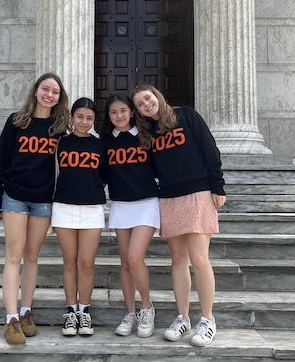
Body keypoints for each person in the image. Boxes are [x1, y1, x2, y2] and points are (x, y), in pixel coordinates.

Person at [131, 85, 227, 347]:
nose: (146, 104)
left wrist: (217, 186)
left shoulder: (186, 116)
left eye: (147, 98)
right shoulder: (148, 134)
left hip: (198, 192)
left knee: (199, 258)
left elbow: (209, 149)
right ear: (138, 111)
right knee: (178, 259)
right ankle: (183, 317)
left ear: (157, 96)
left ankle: (207, 319)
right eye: (140, 104)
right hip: (169, 197)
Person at [0, 73, 70, 345]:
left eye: (55, 92)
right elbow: (0, 159)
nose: (49, 95)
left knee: (32, 256)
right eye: (45, 89)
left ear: (60, 97)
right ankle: (11, 318)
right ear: (36, 91)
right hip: (15, 196)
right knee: (14, 255)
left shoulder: (59, 128)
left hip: (43, 199)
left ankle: (26, 312)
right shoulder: (16, 122)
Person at [100, 94, 159, 338]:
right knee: (125, 262)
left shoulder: (146, 136)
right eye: (114, 112)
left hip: (147, 203)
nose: (119, 116)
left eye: (123, 110)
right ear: (109, 116)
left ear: (132, 112)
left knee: (135, 258)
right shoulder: (105, 142)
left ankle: (147, 308)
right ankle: (131, 312)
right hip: (121, 204)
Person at [51, 97, 107, 337]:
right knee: (69, 262)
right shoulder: (60, 142)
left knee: (86, 263)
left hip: (92, 208)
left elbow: (104, 175)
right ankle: (70, 312)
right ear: (72, 117)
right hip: (63, 206)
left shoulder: (100, 145)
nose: (84, 122)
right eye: (80, 116)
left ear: (95, 120)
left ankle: (84, 311)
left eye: (89, 118)